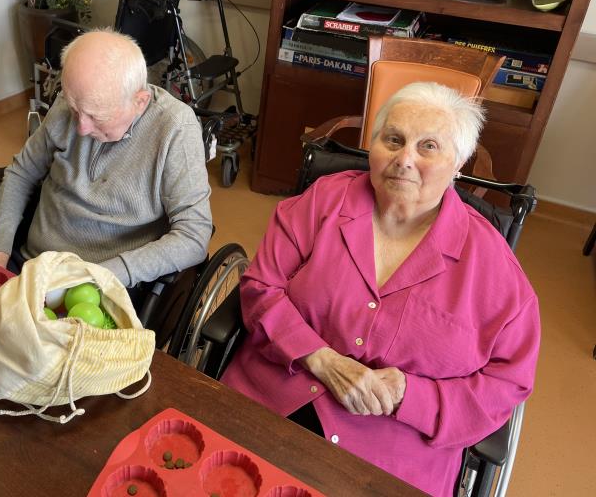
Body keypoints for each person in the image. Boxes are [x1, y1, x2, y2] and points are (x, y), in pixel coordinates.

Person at [221, 82, 541, 496]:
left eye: (428, 147)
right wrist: (321, 358)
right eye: (393, 140)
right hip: (271, 401)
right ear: (372, 146)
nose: (404, 159)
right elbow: (261, 286)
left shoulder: (494, 271)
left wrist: (412, 394)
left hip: (392, 452)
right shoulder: (323, 202)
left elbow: (508, 383)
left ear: (458, 163)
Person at [0, 29, 212, 289]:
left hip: (105, 285)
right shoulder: (75, 98)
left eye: (96, 116)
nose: (81, 128)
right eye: (75, 110)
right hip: (33, 266)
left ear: (140, 101)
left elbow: (194, 236)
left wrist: (99, 276)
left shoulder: (175, 128)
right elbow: (21, 174)